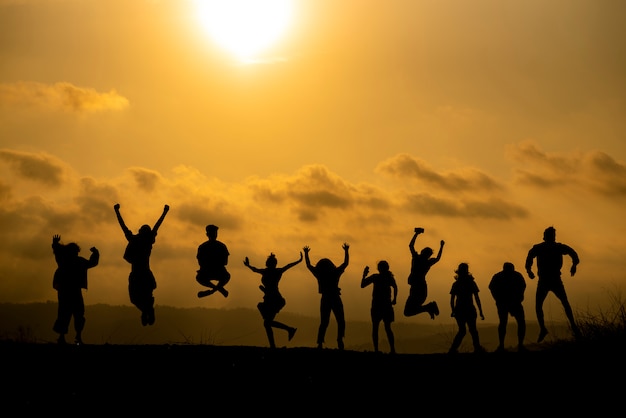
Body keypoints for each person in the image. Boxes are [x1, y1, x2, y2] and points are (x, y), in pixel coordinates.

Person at [114, 203, 169, 326]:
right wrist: (165, 212)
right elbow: (157, 225)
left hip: (139, 274)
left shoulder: (137, 240)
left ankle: (147, 310)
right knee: (142, 298)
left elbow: (123, 226)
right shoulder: (146, 241)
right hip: (143, 274)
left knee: (137, 298)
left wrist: (117, 211)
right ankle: (147, 310)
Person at [525, 226, 581, 342]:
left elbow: (573, 254)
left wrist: (574, 264)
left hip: (551, 279)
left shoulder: (552, 247)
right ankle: (570, 326)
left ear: (545, 236)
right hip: (548, 280)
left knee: (546, 305)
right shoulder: (550, 247)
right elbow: (573, 254)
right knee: (560, 303)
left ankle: (570, 326)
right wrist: (529, 270)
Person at [243, 252, 302, 349]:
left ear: (268, 263)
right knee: (267, 323)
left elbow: (255, 270)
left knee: (267, 323)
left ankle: (286, 332)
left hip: (273, 299)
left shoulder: (267, 271)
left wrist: (248, 265)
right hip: (272, 299)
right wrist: (299, 260)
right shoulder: (277, 271)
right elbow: (288, 266)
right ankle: (283, 335)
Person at [51, 234, 99, 345]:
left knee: (66, 314)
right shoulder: (76, 261)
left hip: (65, 292)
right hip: (72, 292)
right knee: (75, 314)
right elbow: (92, 263)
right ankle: (75, 337)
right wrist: (95, 253)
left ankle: (65, 337)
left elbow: (57, 251)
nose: (76, 254)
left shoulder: (63, 261)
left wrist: (55, 243)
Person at [303, 243, 350, 350]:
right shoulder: (335, 272)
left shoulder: (319, 274)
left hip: (325, 298)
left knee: (324, 322)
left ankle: (320, 342)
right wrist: (346, 251)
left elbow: (309, 265)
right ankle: (339, 339)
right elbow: (345, 263)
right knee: (340, 320)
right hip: (335, 298)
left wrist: (306, 254)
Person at [404, 228, 444, 320]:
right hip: (420, 288)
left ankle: (429, 307)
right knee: (408, 311)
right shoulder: (426, 262)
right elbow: (437, 258)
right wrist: (441, 246)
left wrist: (416, 234)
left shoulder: (417, 259)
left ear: (422, 252)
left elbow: (411, 246)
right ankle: (428, 307)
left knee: (408, 312)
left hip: (418, 288)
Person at [361, 260, 398, 354]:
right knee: (387, 328)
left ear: (379, 268)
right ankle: (392, 349)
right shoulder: (389, 278)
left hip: (377, 306)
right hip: (386, 305)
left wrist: (364, 275)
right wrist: (394, 299)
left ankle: (376, 349)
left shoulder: (376, 277)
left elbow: (362, 285)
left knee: (375, 328)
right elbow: (395, 287)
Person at [489, 262, 527, 352]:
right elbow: (491, 287)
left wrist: (520, 296)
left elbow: (523, 286)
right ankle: (504, 345)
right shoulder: (503, 276)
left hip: (513, 302)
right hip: (506, 303)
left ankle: (518, 345)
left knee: (517, 322)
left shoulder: (514, 276)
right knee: (506, 323)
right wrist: (497, 299)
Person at [448, 263, 485, 354]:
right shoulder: (471, 283)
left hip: (460, 310)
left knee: (463, 331)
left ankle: (453, 349)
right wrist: (480, 311)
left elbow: (452, 299)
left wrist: (453, 310)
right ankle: (477, 349)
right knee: (472, 330)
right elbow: (476, 298)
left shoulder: (456, 284)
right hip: (468, 309)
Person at [196, 224, 231, 298]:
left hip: (218, 271)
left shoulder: (221, 246)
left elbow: (225, 262)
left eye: (215, 233)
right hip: (207, 271)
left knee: (227, 276)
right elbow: (200, 263)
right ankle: (219, 289)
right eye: (212, 233)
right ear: (207, 234)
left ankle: (213, 291)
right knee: (199, 277)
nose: (214, 235)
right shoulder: (202, 247)